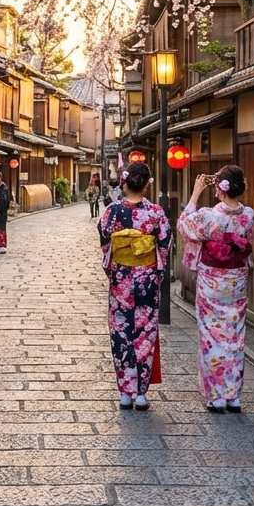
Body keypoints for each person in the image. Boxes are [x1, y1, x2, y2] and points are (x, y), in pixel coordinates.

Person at [177, 165, 254, 414]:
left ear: (219, 190)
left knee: (212, 336)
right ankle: (233, 396)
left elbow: (184, 226)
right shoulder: (248, 215)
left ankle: (217, 396)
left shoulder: (210, 216)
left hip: (212, 282)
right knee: (234, 335)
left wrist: (195, 193)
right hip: (237, 281)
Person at [97, 162, 172, 411]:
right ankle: (141, 394)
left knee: (121, 332)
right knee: (145, 332)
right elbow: (164, 245)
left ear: (124, 182)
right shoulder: (156, 213)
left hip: (121, 278)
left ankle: (125, 393)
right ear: (147, 185)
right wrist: (156, 273)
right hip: (147, 279)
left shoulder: (112, 211)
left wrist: (114, 270)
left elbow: (105, 241)